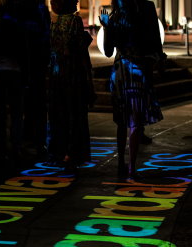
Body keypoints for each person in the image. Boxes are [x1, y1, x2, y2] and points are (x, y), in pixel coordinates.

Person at [100, 0, 165, 179]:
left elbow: (107, 51)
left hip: (122, 70)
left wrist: (107, 27)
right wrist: (159, 59)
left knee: (122, 121)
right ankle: (131, 166)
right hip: (137, 70)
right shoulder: (145, 8)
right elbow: (155, 39)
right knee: (133, 121)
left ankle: (123, 162)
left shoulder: (116, 16)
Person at [47, 0, 95, 173]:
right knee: (74, 113)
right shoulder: (74, 20)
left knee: (58, 114)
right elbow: (74, 48)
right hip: (72, 73)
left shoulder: (54, 21)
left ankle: (57, 151)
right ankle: (72, 152)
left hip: (56, 73)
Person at [0, 0, 27, 163]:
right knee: (16, 112)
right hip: (14, 71)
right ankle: (16, 146)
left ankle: (2, 148)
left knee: (0, 112)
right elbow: (24, 50)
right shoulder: (17, 26)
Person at [21, 0, 51, 159]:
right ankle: (38, 140)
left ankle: (32, 138)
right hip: (35, 65)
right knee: (38, 105)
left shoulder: (26, 13)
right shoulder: (39, 11)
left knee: (31, 104)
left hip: (30, 65)